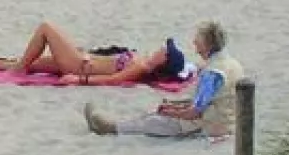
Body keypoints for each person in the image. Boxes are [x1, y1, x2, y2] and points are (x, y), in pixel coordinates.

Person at [83, 21, 244, 139]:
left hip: (210, 127)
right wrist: (176, 106)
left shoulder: (212, 73)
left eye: (198, 43)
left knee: (154, 121)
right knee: (156, 115)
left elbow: (195, 112)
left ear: (207, 45)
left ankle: (109, 128)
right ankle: (117, 125)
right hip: (227, 122)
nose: (195, 47)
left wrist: (171, 112)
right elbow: (212, 100)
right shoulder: (232, 64)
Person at [0, 24, 195, 87]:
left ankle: (17, 69)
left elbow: (114, 79)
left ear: (164, 60)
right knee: (35, 63)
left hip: (79, 67)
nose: (161, 48)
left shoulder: (142, 68)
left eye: (165, 50)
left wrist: (78, 79)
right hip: (82, 60)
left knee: (46, 28)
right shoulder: (143, 60)